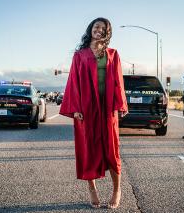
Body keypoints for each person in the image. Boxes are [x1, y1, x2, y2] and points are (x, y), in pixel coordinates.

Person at [59, 17, 128, 209]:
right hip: (87, 108)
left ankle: (116, 190)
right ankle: (92, 189)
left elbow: (118, 82)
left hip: (107, 108)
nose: (99, 30)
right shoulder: (80, 55)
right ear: (91, 29)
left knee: (112, 150)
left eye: (103, 28)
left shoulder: (113, 54)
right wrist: (75, 108)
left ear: (107, 33)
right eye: (96, 26)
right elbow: (73, 82)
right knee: (88, 148)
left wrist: (120, 105)